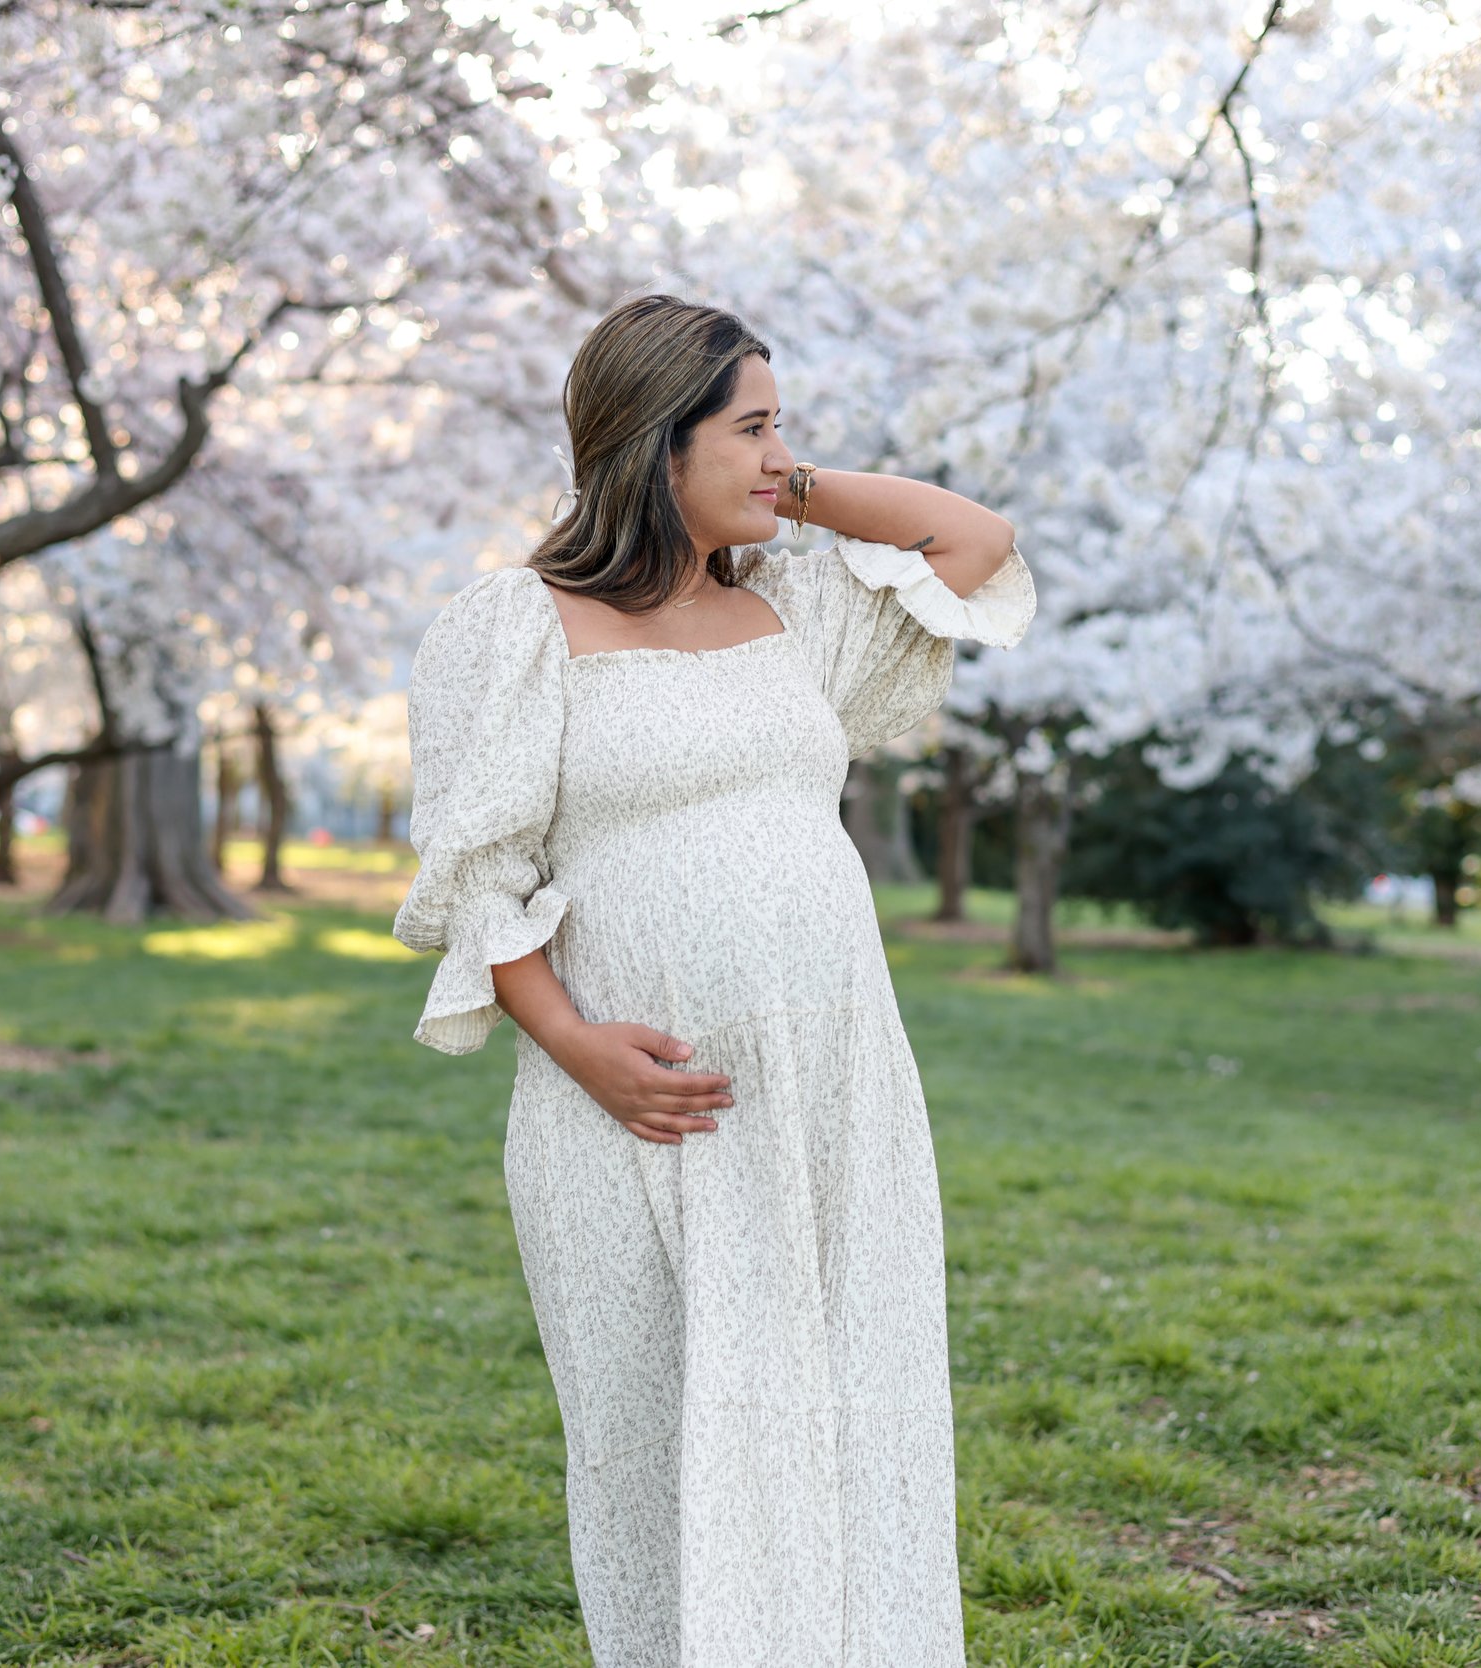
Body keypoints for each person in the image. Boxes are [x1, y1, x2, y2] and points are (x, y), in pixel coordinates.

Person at [391, 293, 1036, 1668]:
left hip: (833, 1099)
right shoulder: (518, 626)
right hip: (635, 1110)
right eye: (748, 427)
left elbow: (973, 547)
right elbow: (478, 878)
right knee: (665, 1441)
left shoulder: (794, 606)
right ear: (653, 442)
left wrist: (783, 484)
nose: (778, 457)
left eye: (779, 431)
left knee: (849, 1414)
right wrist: (573, 1043)